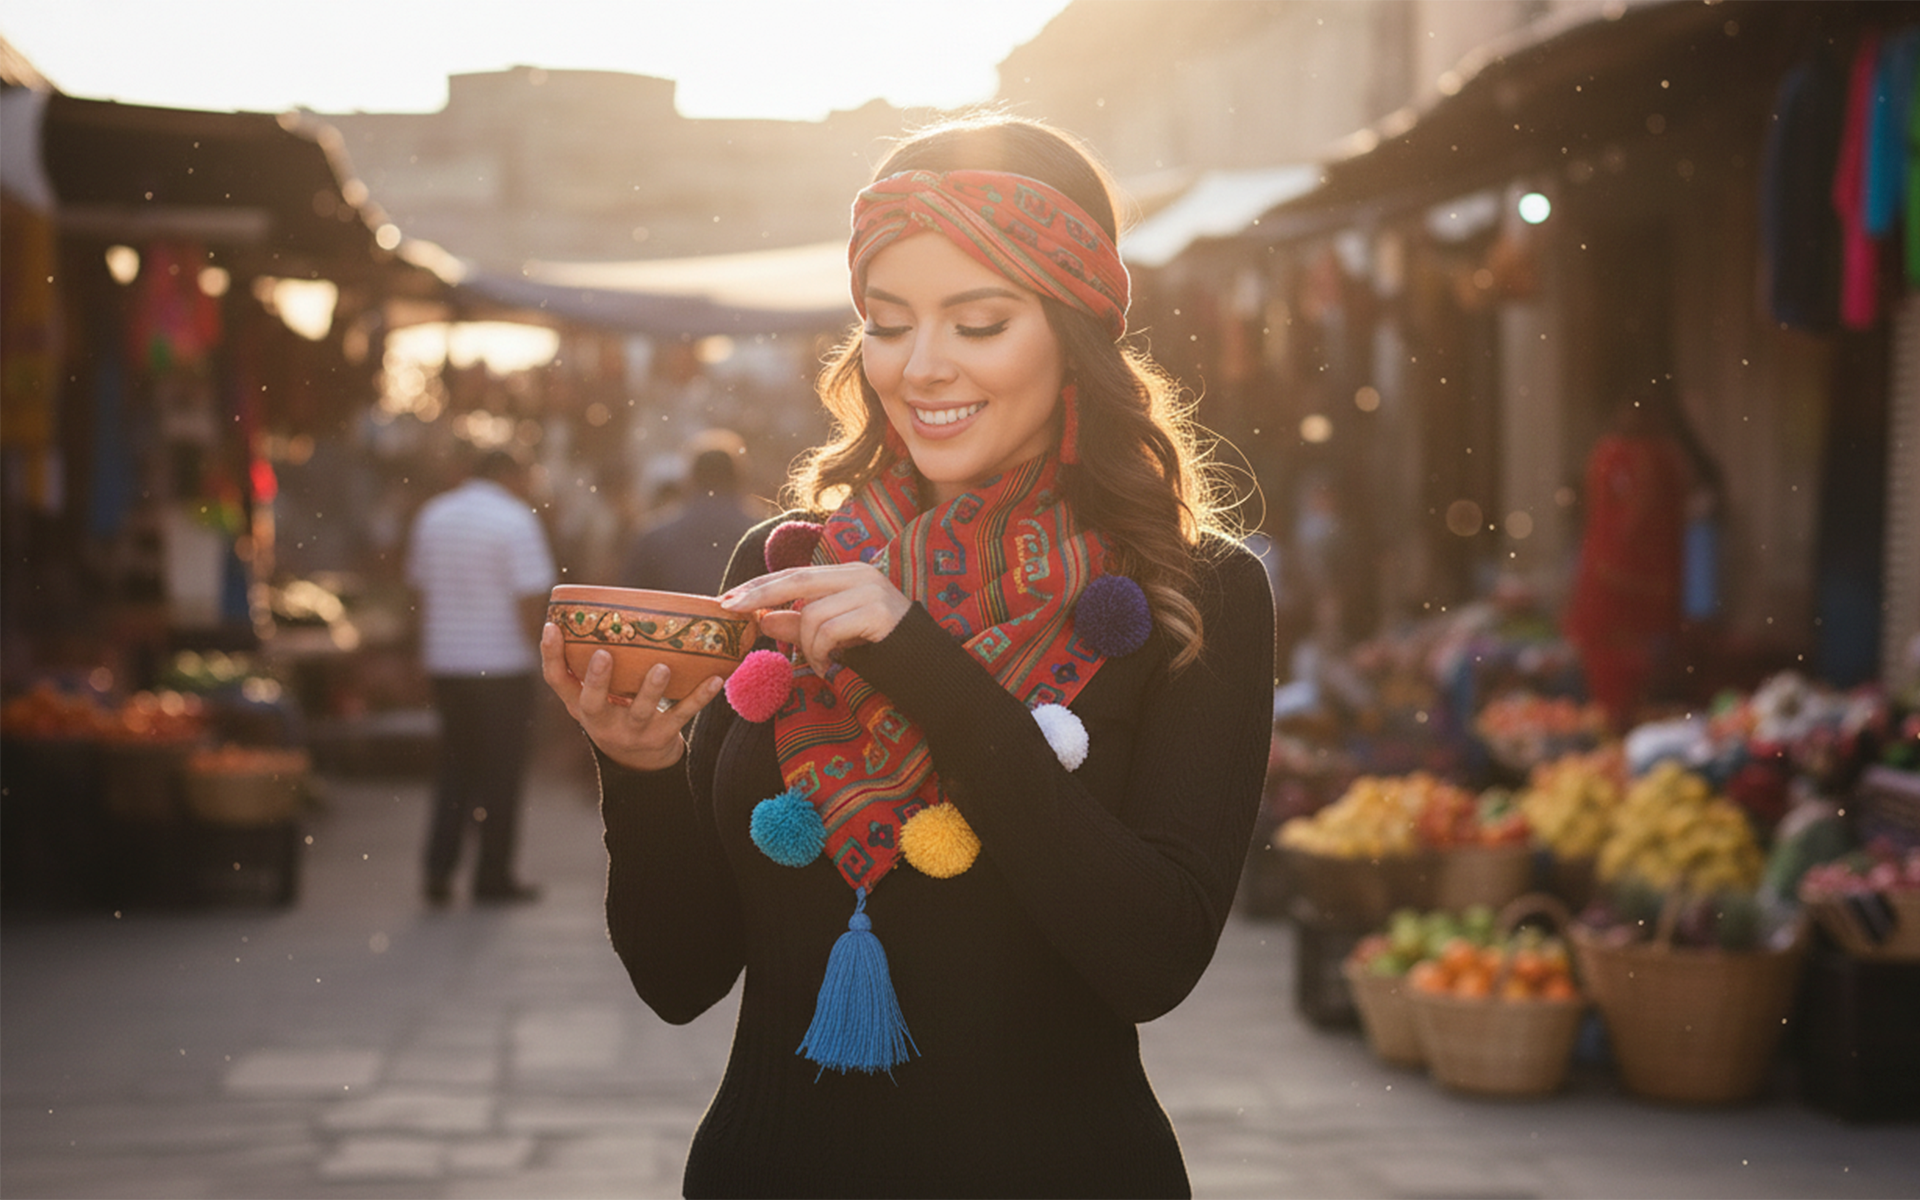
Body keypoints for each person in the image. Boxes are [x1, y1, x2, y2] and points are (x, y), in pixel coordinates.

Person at [540, 114, 1274, 1197]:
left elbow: (1152, 961)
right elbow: (677, 977)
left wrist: (918, 657)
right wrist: (639, 766)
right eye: (887, 323)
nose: (922, 367)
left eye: (979, 322)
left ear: (1073, 331)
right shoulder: (788, 568)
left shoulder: (1198, 594)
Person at [407, 446, 556, 905]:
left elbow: (419, 593)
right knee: (501, 773)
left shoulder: (433, 515)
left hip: (447, 663)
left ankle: (438, 870)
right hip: (502, 667)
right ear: (510, 475)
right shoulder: (516, 519)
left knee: (455, 766)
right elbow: (530, 602)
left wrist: (425, 652)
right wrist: (546, 662)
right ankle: (492, 875)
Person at [1563, 385, 1694, 731]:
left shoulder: (1658, 458)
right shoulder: (1612, 455)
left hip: (1635, 577)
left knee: (1637, 658)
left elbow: (1643, 515)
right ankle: (1616, 719)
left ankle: (1627, 721)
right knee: (1611, 654)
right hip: (1614, 574)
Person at [618, 434, 760, 595]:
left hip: (670, 611)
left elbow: (630, 600)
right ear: (741, 478)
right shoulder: (765, 537)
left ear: (690, 479)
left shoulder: (653, 537)